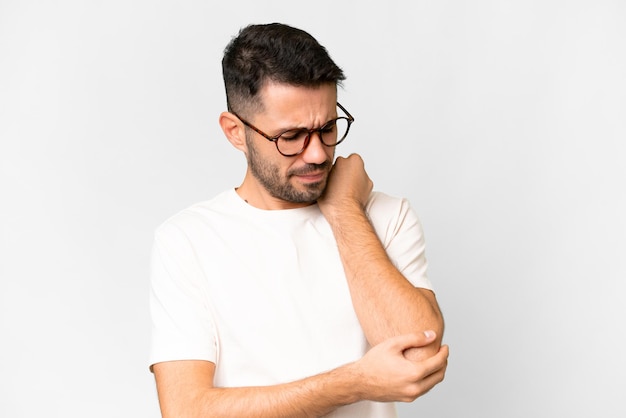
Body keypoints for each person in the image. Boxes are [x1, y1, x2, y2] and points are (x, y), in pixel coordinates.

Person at [149, 23, 449, 418]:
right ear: (235, 132)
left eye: (327, 129)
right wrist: (354, 382)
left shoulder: (383, 216)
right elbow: (186, 410)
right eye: (291, 136)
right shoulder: (188, 240)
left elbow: (418, 356)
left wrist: (343, 210)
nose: (318, 155)